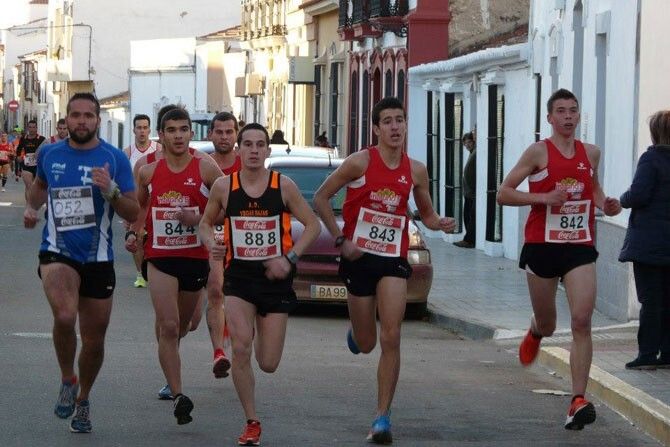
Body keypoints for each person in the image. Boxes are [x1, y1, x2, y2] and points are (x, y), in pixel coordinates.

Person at [313, 97, 456, 444]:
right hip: (359, 257)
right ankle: (358, 333)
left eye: (400, 120)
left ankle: (382, 417)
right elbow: (320, 198)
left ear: (406, 125)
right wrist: (341, 240)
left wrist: (439, 222)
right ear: (376, 128)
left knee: (392, 336)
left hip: (393, 257)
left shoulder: (416, 170)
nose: (395, 127)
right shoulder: (359, 162)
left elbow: (426, 214)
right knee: (367, 343)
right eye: (388, 121)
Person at [497, 88, 622, 430]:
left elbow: (592, 188)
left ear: (578, 115)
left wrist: (605, 203)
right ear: (550, 118)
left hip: (579, 243)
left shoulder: (591, 153)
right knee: (550, 323)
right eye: (562, 111)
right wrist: (544, 197)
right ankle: (537, 330)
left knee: (582, 320)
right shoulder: (538, 152)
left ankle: (577, 400)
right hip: (542, 245)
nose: (568, 117)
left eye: (573, 111)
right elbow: (504, 193)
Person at [23, 92, 139, 433]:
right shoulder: (50, 153)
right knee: (64, 314)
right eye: (76, 115)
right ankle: (67, 378)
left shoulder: (114, 158)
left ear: (98, 120)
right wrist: (31, 207)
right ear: (67, 118)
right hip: (56, 251)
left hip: (98, 257)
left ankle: (84, 398)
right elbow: (39, 188)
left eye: (89, 115)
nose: (82, 121)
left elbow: (133, 210)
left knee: (94, 339)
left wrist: (111, 190)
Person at [199, 123, 320, 446]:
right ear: (238, 149)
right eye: (248, 144)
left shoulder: (284, 186)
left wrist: (289, 258)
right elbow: (205, 223)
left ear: (267, 150)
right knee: (241, 348)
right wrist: (212, 243)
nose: (254, 150)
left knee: (268, 363)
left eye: (260, 145)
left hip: (275, 280)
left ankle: (254, 341)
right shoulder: (224, 187)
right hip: (239, 279)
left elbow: (312, 225)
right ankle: (251, 421)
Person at [127, 108, 223, 425]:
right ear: (162, 135)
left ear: (191, 134)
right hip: (160, 257)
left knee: (185, 326)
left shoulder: (205, 167)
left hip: (194, 258)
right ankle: (179, 394)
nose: (178, 135)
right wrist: (132, 233)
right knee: (168, 326)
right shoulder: (147, 172)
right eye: (172, 130)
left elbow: (227, 206)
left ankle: (173, 364)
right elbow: (140, 208)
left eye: (183, 129)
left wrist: (199, 219)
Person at [619, 110, 670, 370]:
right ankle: (668, 353)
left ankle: (647, 354)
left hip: (650, 243)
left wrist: (622, 199)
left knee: (651, 300)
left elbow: (638, 194)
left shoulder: (651, 159)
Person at [204, 111, 242, 379]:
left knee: (240, 296)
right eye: (219, 132)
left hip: (242, 238)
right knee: (216, 290)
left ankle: (237, 340)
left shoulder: (247, 162)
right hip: (213, 237)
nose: (224, 137)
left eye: (229, 132)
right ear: (210, 134)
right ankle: (219, 353)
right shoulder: (203, 164)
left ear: (236, 134)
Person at [123, 114, 161, 288]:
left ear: (150, 129)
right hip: (137, 201)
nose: (142, 131)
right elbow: (124, 181)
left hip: (156, 201)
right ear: (134, 130)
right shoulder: (128, 153)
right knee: (136, 237)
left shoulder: (158, 149)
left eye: (145, 128)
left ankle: (155, 271)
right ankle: (140, 274)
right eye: (139, 128)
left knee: (153, 238)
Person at [454, 132, 476, 248]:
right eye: (465, 143)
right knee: (467, 215)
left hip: (472, 192)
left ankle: (469, 240)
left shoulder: (475, 152)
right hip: (468, 192)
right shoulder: (472, 153)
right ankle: (469, 238)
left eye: (469, 142)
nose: (467, 145)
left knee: (470, 216)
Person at [16, 119, 46, 201]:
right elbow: (19, 149)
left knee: (37, 187)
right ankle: (29, 204)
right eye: (30, 127)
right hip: (27, 165)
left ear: (36, 128)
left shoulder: (42, 139)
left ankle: (34, 202)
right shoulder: (23, 139)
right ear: (27, 128)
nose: (32, 129)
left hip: (38, 166)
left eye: (33, 127)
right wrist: (18, 156)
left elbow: (46, 150)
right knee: (29, 186)